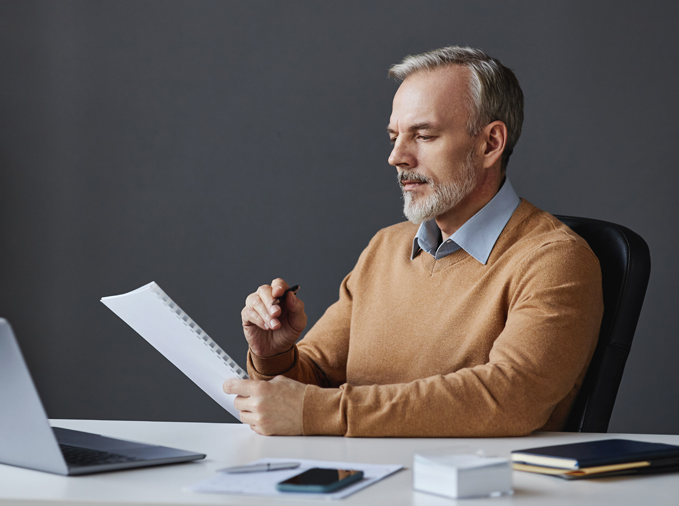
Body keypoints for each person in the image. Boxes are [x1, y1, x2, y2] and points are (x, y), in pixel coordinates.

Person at [223, 46, 603, 437]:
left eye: (423, 135)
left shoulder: (555, 260)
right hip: (357, 488)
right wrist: (275, 355)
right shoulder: (384, 248)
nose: (396, 157)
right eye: (394, 137)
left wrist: (325, 412)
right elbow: (311, 384)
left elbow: (509, 398)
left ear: (490, 143)